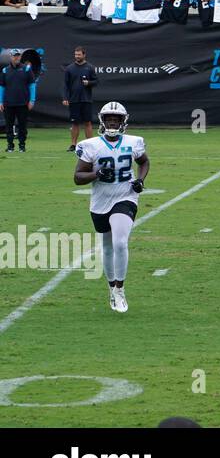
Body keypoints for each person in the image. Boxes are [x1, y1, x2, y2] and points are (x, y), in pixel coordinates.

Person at [72, 101, 149, 313]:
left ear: (123, 121)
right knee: (106, 246)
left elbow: (143, 162)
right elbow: (78, 177)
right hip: (100, 201)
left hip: (126, 197)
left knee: (120, 242)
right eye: (109, 119)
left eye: (116, 119)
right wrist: (96, 174)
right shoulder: (90, 145)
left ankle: (120, 289)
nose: (113, 122)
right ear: (102, 121)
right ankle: (111, 286)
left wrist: (140, 181)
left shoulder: (134, 142)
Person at [62, 45, 98, 150]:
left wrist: (89, 82)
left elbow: (96, 82)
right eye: (75, 54)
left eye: (79, 54)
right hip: (74, 100)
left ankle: (90, 145)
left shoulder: (90, 67)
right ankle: (73, 145)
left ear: (84, 55)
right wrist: (65, 98)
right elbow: (65, 85)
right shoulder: (69, 68)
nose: (77, 56)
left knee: (87, 122)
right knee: (74, 123)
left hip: (86, 100)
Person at [2, 47, 36, 152]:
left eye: (18, 56)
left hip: (23, 103)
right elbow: (2, 87)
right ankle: (10, 146)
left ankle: (22, 146)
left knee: (22, 126)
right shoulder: (5, 70)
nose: (16, 57)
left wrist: (32, 100)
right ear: (11, 57)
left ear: (20, 57)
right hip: (8, 103)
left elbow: (32, 85)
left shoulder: (26, 69)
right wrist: (0, 101)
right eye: (14, 56)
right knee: (9, 126)